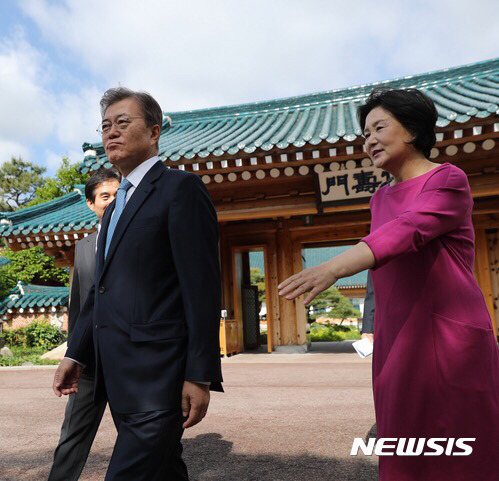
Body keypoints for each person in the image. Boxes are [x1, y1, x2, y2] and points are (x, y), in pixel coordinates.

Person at [278, 88, 499, 480]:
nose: (370, 140)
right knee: (404, 444)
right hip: (399, 337)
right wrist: (369, 327)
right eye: (365, 134)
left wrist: (333, 268)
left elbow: (407, 232)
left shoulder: (448, 179)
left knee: (462, 446)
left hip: (449, 335)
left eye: (380, 127)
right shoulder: (379, 198)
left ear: (412, 130)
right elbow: (380, 268)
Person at [52, 87, 223, 481]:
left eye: (123, 123)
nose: (111, 132)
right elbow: (99, 291)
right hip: (117, 374)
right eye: (106, 126)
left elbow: (201, 288)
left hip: (159, 378)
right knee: (164, 469)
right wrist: (75, 354)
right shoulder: (112, 212)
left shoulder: (181, 189)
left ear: (154, 132)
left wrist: (199, 374)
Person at [48, 169, 120, 481]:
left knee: (145, 439)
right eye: (105, 196)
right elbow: (78, 307)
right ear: (91, 204)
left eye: (118, 193)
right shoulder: (83, 247)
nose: (113, 201)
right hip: (89, 362)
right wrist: (72, 354)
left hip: (129, 360)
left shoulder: (140, 237)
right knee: (71, 438)